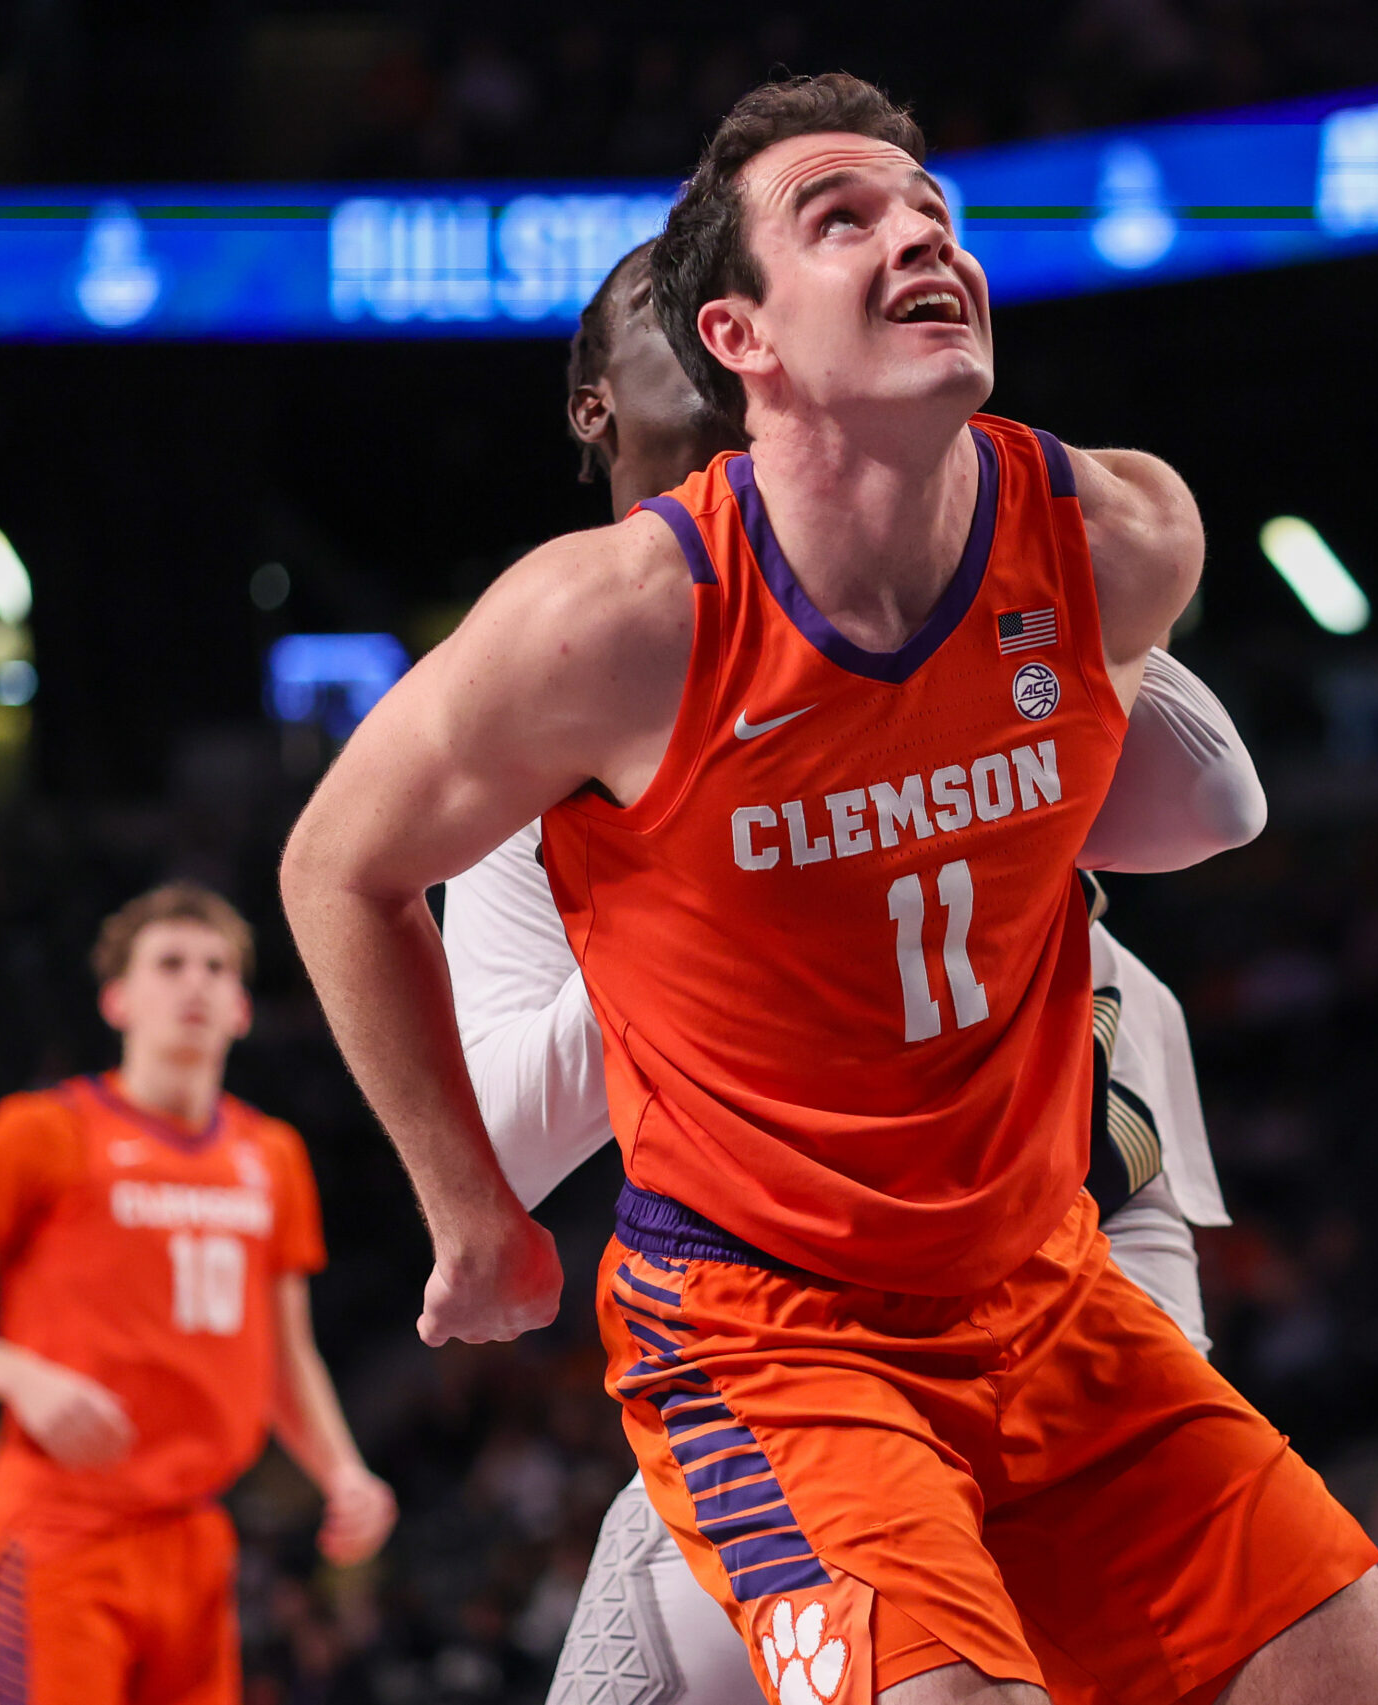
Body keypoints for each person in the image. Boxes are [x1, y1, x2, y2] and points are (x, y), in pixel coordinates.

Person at [282, 72, 1378, 1705]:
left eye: (933, 212)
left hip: (1053, 1283)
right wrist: (469, 1215)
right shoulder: (606, 632)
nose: (917, 237)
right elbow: (334, 862)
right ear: (738, 344)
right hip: (771, 1340)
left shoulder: (1117, 538)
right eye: (846, 218)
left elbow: (1221, 809)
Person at [442, 245, 1248, 1703]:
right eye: (686, 334)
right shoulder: (555, 703)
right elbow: (494, 1130)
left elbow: (1220, 803)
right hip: (808, 1311)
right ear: (593, 410)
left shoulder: (952, 578)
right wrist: (702, 911)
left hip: (1085, 1229)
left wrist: (1004, 560)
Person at [0, 884, 398, 1705]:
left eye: (216, 967)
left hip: (195, 1535)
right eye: (169, 964)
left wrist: (343, 1470)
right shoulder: (40, 1130)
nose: (194, 983)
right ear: (116, 998)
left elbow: (283, 1352)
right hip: (60, 1528)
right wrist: (23, 1376)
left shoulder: (273, 1155)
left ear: (240, 1007)